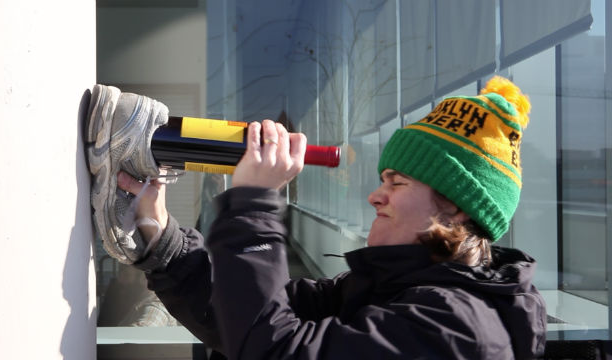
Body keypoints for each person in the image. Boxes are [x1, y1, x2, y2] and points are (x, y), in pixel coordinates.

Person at [85, 76, 547, 359]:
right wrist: (163, 240)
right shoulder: (395, 290)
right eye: (384, 179)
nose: (375, 196)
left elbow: (277, 350)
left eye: (398, 183)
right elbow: (257, 313)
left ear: (457, 207)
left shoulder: (457, 333)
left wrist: (255, 201)